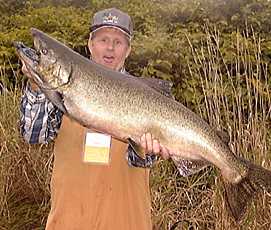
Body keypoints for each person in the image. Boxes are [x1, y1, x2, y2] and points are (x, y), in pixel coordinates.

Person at [20, 8, 169, 230]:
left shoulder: (146, 96)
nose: (110, 48)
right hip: (68, 223)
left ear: (128, 50)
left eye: (118, 42)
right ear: (90, 44)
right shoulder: (62, 89)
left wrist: (149, 150)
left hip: (127, 223)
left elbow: (140, 161)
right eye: (103, 40)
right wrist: (36, 84)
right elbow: (32, 136)